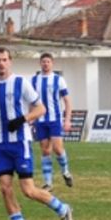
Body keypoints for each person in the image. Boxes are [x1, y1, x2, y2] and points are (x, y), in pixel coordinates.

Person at [0, 47, 74, 220]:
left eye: (4, 60)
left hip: (21, 144)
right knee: (5, 189)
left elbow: (41, 108)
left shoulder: (21, 83)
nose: (1, 63)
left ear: (10, 61)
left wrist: (23, 119)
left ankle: (63, 209)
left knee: (28, 190)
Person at [30, 52, 74, 191]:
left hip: (54, 119)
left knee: (57, 148)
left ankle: (66, 172)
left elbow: (67, 101)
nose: (45, 64)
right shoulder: (34, 80)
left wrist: (67, 120)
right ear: (40, 63)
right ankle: (48, 183)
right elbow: (31, 101)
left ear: (52, 63)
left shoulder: (58, 80)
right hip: (40, 120)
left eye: (48, 61)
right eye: (43, 61)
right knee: (45, 150)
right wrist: (30, 117)